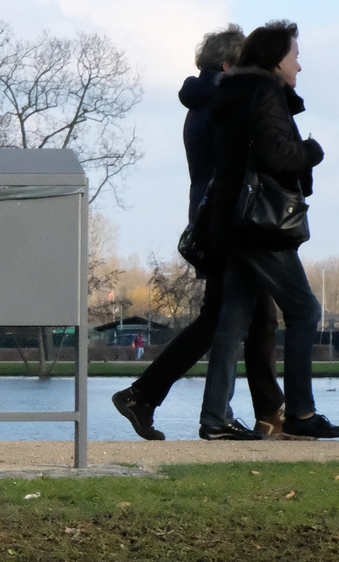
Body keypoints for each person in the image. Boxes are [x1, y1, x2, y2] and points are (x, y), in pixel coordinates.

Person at [112, 26, 284, 441]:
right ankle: (152, 397)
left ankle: (268, 415)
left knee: (256, 318)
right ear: (228, 66)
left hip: (212, 222)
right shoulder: (223, 104)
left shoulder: (201, 103)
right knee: (226, 320)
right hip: (230, 223)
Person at [202, 20, 339, 439]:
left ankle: (215, 419)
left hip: (234, 220)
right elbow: (277, 153)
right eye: (295, 57)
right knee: (304, 311)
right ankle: (301, 414)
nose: (299, 67)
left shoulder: (235, 93)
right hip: (261, 224)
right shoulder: (266, 93)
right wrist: (312, 151)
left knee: (233, 320)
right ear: (275, 59)